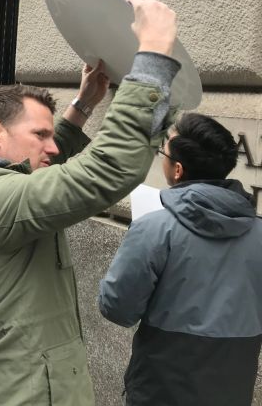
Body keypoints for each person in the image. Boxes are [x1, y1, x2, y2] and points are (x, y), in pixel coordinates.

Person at [0, 0, 180, 405]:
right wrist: (152, 54)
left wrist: (82, 107)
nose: (52, 147)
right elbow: (107, 169)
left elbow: (41, 165)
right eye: (40, 135)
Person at [98, 113, 262, 406]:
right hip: (234, 388)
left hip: (161, 389)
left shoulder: (153, 228)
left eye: (164, 153)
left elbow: (118, 309)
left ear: (177, 170)